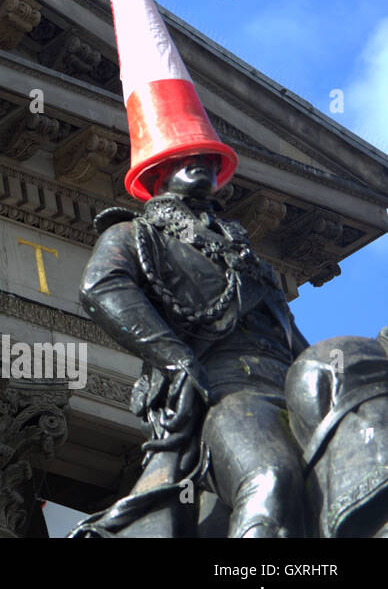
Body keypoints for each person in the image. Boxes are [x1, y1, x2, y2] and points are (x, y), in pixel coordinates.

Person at [78, 154, 309, 537]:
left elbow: (295, 342)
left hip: (290, 394)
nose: (201, 162)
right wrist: (176, 358)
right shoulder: (136, 234)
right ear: (155, 172)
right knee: (271, 477)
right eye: (184, 156)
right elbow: (102, 286)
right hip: (223, 391)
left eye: (208, 157)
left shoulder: (250, 263)